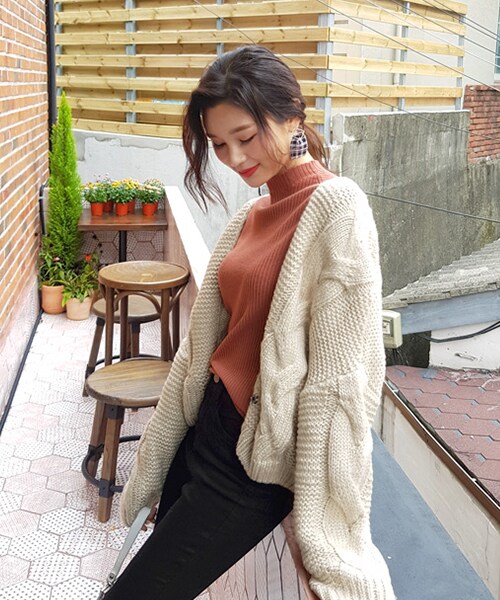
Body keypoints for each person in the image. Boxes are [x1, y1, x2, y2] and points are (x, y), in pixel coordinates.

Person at [104, 45, 395, 600]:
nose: (235, 157)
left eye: (246, 136)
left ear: (292, 116)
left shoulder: (339, 208)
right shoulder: (251, 214)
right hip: (205, 427)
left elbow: (341, 381)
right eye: (219, 145)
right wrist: (159, 452)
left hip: (250, 465)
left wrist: (332, 529)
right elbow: (203, 347)